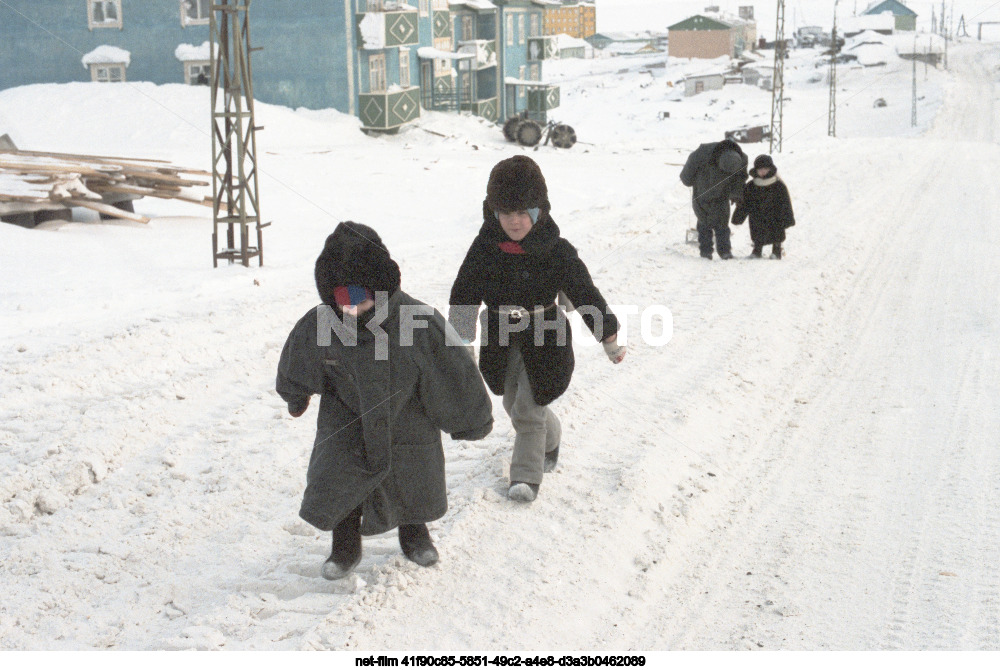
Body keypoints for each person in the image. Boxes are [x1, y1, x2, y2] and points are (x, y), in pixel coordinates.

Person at [276, 221, 494, 580]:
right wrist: (295, 394)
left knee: (412, 473)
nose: (350, 305)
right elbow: (298, 358)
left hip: (407, 413)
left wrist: (470, 418)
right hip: (345, 418)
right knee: (338, 475)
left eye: (358, 294)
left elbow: (452, 368)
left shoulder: (417, 321)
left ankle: (415, 533)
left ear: (380, 285)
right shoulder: (321, 323)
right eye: (340, 297)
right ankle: (344, 544)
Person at [448, 155, 626, 504]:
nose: (514, 222)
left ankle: (526, 477)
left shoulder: (555, 250)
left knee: (528, 410)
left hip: (545, 335)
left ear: (538, 211)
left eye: (522, 213)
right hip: (500, 334)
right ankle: (552, 439)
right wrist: (462, 337)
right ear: (493, 211)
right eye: (506, 213)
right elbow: (465, 291)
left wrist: (608, 337)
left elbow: (583, 291)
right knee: (514, 402)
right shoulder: (485, 248)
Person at [679, 138, 748, 260]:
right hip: (702, 192)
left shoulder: (741, 159)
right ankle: (705, 251)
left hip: (722, 195)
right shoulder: (701, 154)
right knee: (703, 222)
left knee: (722, 222)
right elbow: (686, 176)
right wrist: (688, 180)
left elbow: (740, 179)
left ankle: (725, 251)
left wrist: (736, 194)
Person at [731, 154, 796, 259]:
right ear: (756, 170)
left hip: (775, 215)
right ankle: (757, 250)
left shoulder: (778, 185)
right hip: (757, 215)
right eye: (760, 169)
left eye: (765, 169)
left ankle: (776, 250)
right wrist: (738, 216)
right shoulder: (751, 186)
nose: (763, 172)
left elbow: (786, 203)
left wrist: (788, 219)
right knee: (757, 231)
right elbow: (744, 203)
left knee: (776, 231)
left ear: (770, 169)